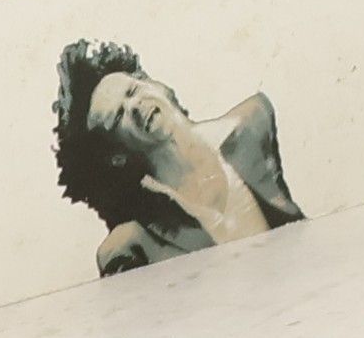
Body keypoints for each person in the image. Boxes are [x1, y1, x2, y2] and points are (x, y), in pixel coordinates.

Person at [52, 38, 304, 278]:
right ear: (116, 156)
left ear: (155, 85)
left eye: (132, 90)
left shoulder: (256, 122)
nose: (135, 106)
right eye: (118, 116)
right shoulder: (130, 244)